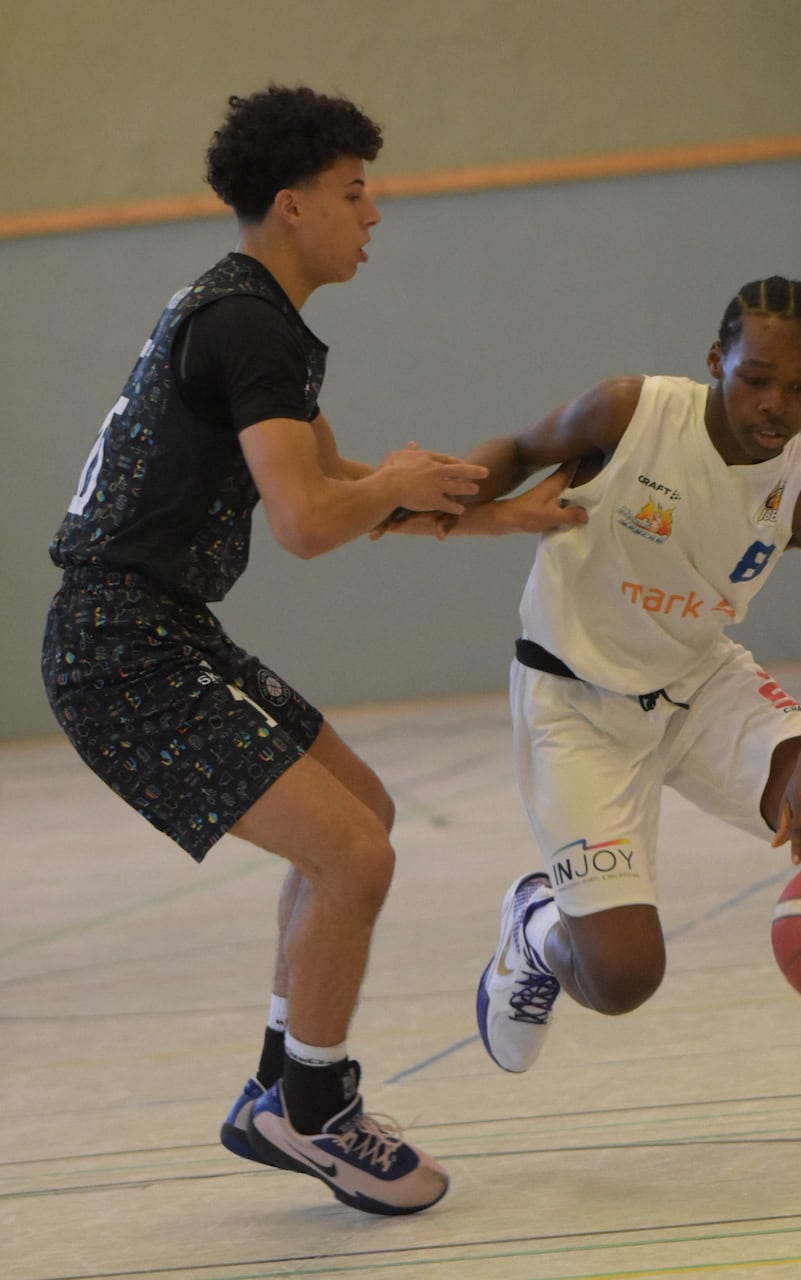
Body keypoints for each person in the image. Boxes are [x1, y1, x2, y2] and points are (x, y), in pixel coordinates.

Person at [40, 84, 581, 1216]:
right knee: (355, 857)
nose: (372, 215)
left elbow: (339, 494)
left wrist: (496, 515)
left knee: (362, 816)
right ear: (293, 206)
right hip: (119, 648)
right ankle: (316, 1104)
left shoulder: (251, 318)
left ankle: (276, 1087)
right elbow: (304, 523)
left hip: (160, 629)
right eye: (354, 192)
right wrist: (391, 484)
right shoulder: (247, 324)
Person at [395, 275, 801, 1143]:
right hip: (574, 703)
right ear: (717, 361)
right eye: (756, 377)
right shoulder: (629, 412)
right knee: (623, 978)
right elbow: (521, 448)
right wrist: (442, 491)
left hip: (702, 685)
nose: (776, 403)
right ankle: (538, 929)